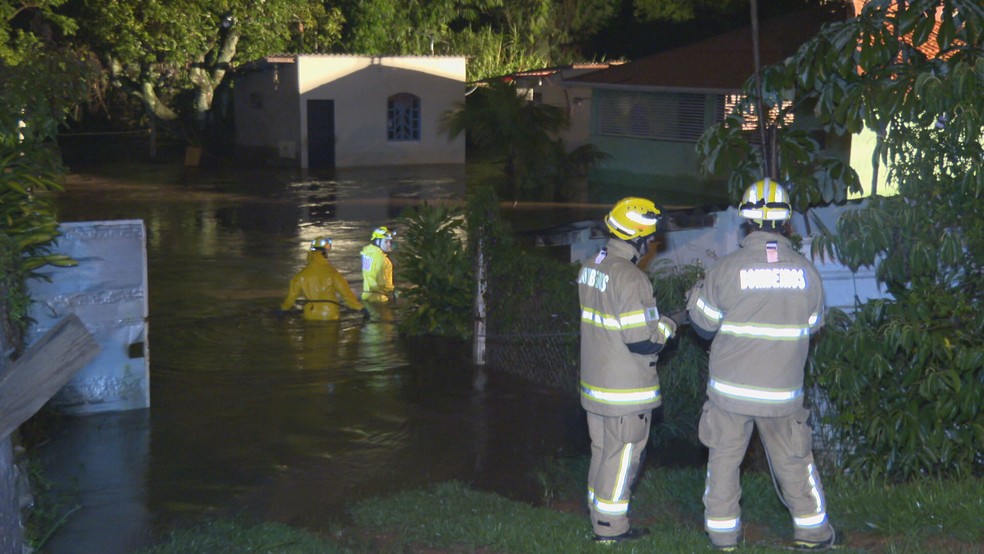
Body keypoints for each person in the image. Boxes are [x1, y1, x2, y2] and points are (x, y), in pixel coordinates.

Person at [686, 178, 837, 551]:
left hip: (730, 395)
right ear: (786, 222)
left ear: (746, 220)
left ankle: (723, 537)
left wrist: (694, 298)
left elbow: (703, 325)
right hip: (783, 394)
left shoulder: (726, 270)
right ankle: (814, 533)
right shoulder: (808, 273)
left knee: (723, 463)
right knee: (796, 462)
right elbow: (813, 323)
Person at [577, 197, 678, 545]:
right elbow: (643, 342)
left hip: (595, 387)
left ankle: (597, 513)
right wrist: (667, 324)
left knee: (603, 453)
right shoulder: (631, 278)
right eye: (651, 237)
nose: (652, 244)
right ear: (639, 237)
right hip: (625, 392)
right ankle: (610, 528)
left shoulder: (592, 265)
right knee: (622, 459)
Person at [280, 236, 369, 321]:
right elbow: (346, 294)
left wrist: (282, 309)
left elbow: (291, 297)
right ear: (325, 253)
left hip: (310, 314)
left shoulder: (301, 275)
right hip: (330, 314)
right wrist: (360, 308)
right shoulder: (332, 272)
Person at [360, 226, 396, 303]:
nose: (389, 244)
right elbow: (384, 283)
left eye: (390, 242)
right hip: (380, 299)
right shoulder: (384, 261)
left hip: (366, 296)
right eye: (386, 241)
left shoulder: (366, 254)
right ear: (377, 242)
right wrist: (393, 291)